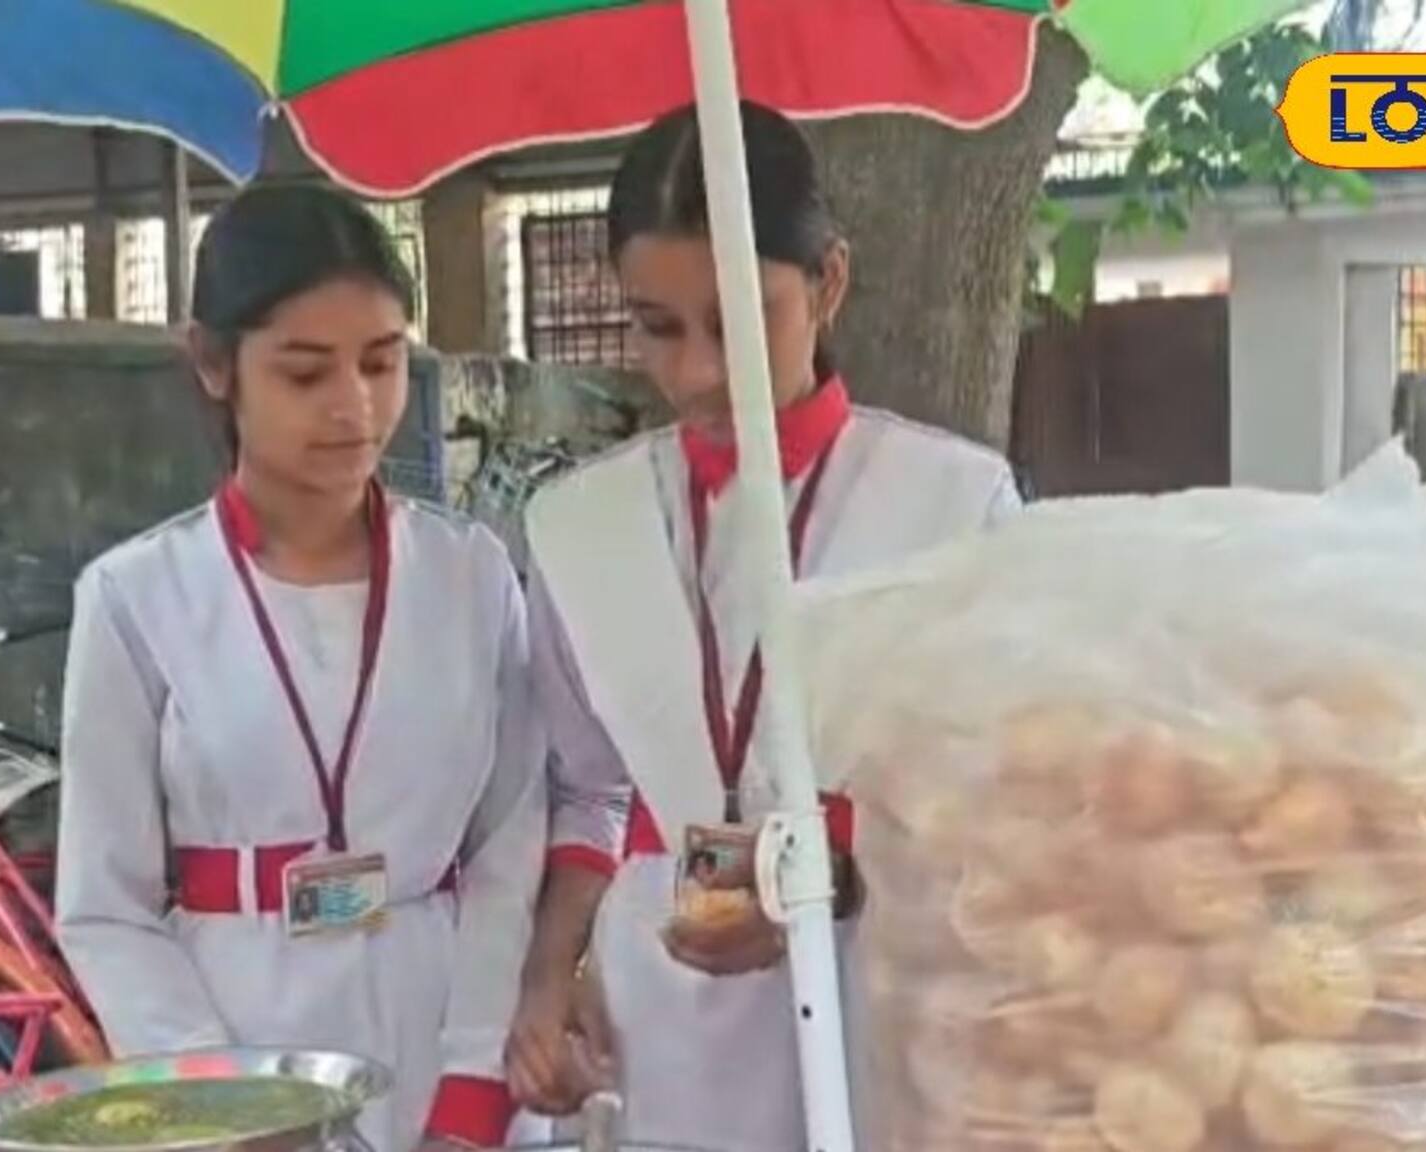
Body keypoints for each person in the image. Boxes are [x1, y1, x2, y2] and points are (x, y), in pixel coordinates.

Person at [504, 102, 1021, 1152]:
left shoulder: (952, 503)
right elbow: (585, 791)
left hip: (873, 985)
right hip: (657, 1016)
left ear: (826, 282)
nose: (697, 371)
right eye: (657, 327)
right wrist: (548, 977)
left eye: (740, 320)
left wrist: (821, 880)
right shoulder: (575, 524)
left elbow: (1001, 802)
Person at [54, 185, 546, 1152]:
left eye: (382, 361)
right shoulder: (137, 596)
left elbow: (511, 841)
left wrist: (473, 1080)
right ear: (212, 363)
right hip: (239, 1029)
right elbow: (105, 907)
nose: (355, 407)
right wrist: (227, 1114)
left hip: (441, 1023)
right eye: (306, 372)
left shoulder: (470, 574)